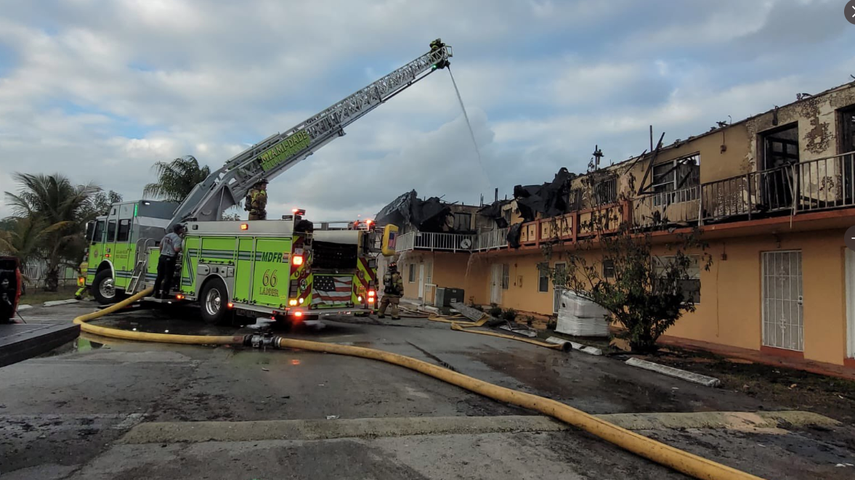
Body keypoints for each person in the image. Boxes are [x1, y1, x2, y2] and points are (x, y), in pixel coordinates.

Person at [153, 224, 184, 299]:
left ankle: (155, 292)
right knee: (168, 277)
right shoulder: (177, 238)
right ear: (179, 230)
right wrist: (182, 249)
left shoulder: (167, 236)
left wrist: (162, 254)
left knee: (159, 276)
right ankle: (164, 293)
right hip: (170, 258)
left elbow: (160, 246)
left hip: (162, 257)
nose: (182, 230)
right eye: (181, 229)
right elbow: (176, 249)